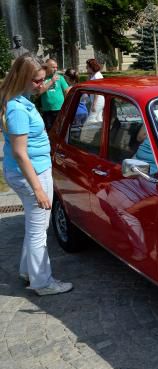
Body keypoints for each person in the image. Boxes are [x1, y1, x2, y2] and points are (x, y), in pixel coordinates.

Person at [0, 55, 73, 296]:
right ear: (23, 79)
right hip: (32, 174)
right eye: (37, 81)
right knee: (38, 230)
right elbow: (21, 154)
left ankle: (27, 271)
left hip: (31, 171)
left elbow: (39, 92)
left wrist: (51, 81)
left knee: (34, 226)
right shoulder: (17, 110)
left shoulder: (20, 98)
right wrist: (39, 190)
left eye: (43, 80)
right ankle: (43, 282)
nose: (41, 86)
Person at [37, 59, 69, 131]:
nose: (55, 69)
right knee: (50, 131)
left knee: (60, 130)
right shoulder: (42, 78)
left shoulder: (60, 78)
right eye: (53, 67)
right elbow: (39, 92)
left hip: (60, 109)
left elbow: (67, 91)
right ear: (47, 67)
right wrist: (51, 81)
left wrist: (67, 105)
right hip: (47, 111)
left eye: (56, 67)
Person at [85, 58, 104, 123]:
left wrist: (94, 104)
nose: (86, 68)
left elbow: (97, 91)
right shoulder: (95, 75)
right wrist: (89, 76)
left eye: (87, 67)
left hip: (97, 101)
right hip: (99, 100)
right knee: (99, 118)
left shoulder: (96, 76)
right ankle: (100, 131)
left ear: (91, 67)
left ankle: (89, 132)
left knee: (91, 119)